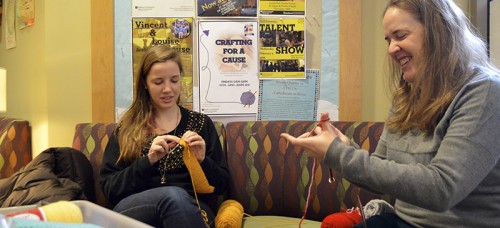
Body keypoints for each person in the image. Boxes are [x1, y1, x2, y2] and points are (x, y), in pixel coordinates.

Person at [281, 0, 500, 227]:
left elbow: (442, 189)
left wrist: (337, 154)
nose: (391, 49)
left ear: (438, 32)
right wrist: (344, 146)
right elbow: (381, 168)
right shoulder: (407, 95)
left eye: (400, 36)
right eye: (389, 40)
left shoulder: (485, 92)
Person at [100, 45, 229, 228]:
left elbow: (222, 185)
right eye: (158, 82)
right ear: (145, 83)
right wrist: (148, 161)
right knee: (173, 196)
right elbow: (110, 189)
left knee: (179, 200)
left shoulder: (201, 124)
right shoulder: (127, 128)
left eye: (174, 80)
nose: (168, 89)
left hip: (190, 209)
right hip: (134, 211)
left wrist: (202, 160)